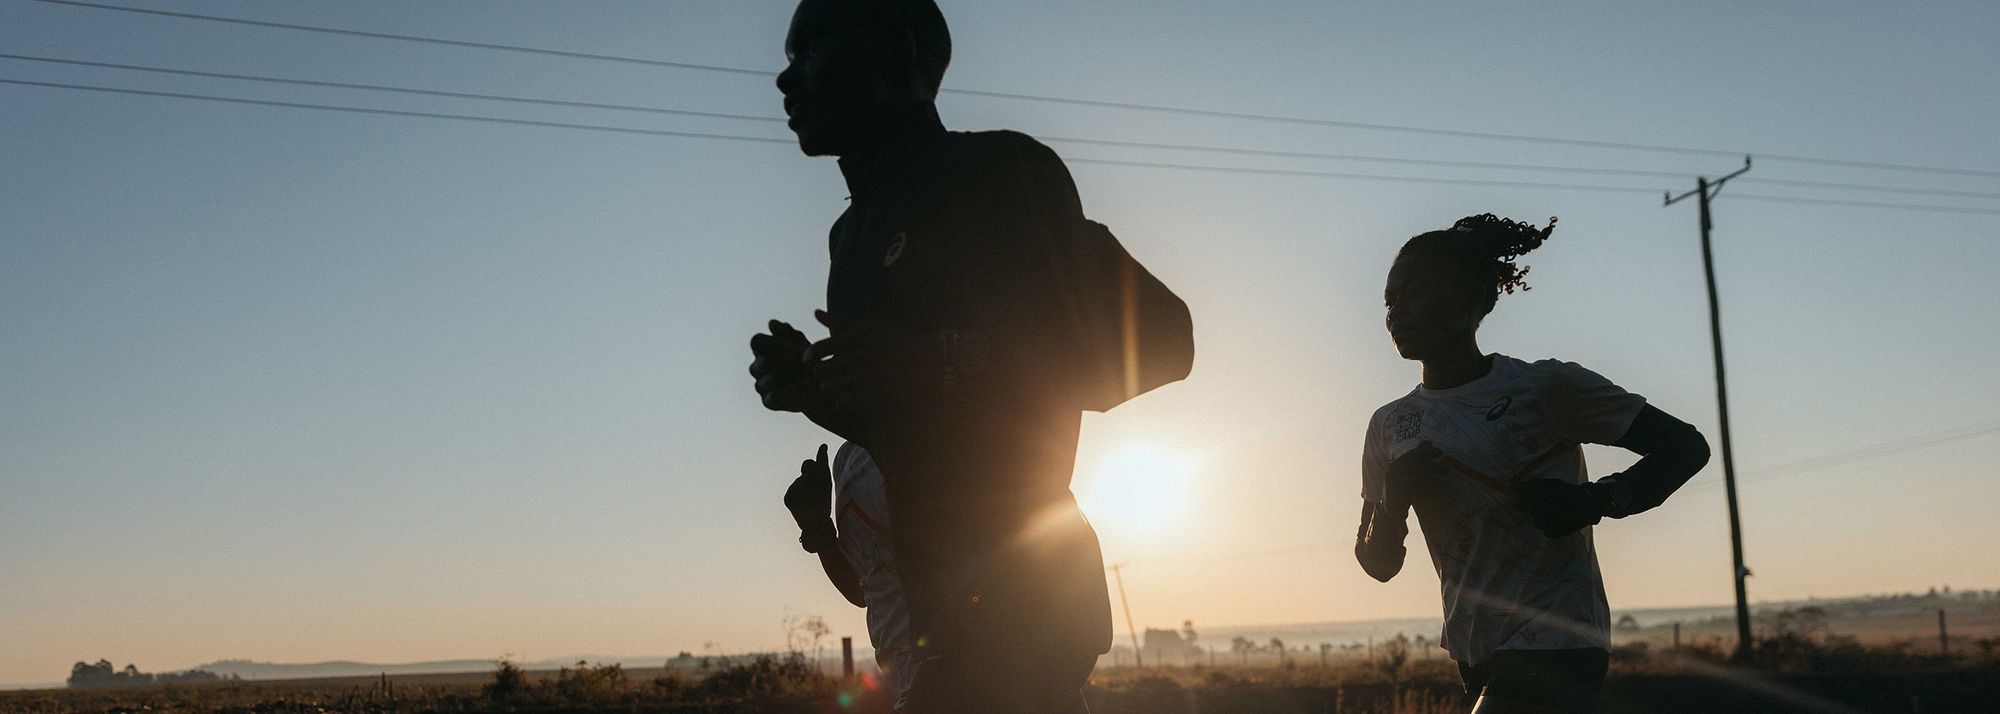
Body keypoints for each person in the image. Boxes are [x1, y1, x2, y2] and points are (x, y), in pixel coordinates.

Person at [748, 1, 1195, 711]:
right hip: (937, 628)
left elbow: (1165, 343)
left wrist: (940, 358)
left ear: (897, 55)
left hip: (1025, 619)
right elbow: (914, 437)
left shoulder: (999, 173)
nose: (785, 79)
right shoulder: (851, 238)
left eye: (811, 49)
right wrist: (818, 392)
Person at [1355, 214, 1711, 714]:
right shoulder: (1390, 425)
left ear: (1478, 296)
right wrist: (1394, 501)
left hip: (1562, 637)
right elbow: (1378, 564)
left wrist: (1592, 500)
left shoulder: (1546, 388)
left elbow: (1685, 448)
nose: (1397, 311)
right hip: (1474, 645)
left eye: (1416, 292)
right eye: (1390, 299)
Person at [784, 443, 915, 706]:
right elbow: (862, 589)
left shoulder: (927, 439)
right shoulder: (845, 459)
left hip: (961, 678)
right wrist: (819, 531)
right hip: (907, 686)